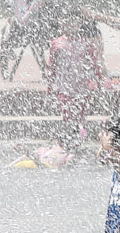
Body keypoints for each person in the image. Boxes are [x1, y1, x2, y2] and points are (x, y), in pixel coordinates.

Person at [46, 14, 110, 150]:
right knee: (68, 116)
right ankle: (71, 141)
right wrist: (50, 87)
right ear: (61, 23)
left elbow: (94, 64)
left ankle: (76, 142)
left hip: (82, 88)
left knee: (80, 116)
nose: (70, 25)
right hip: (64, 88)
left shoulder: (86, 43)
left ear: (79, 24)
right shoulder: (57, 44)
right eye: (66, 22)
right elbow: (51, 67)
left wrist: (99, 82)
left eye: (73, 22)